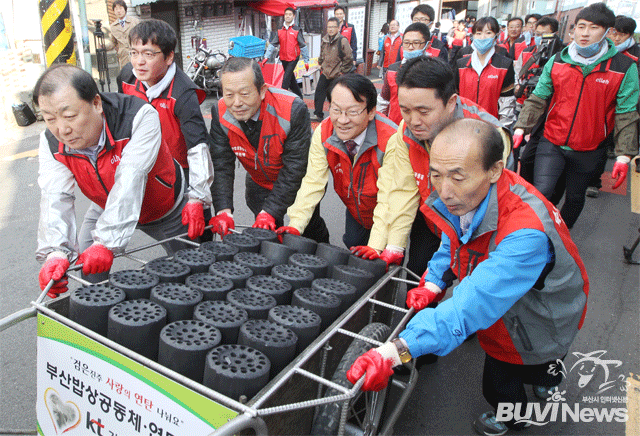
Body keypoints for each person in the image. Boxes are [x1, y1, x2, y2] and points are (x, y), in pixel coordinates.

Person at [346, 118, 589, 436]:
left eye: (458, 177)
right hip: (520, 303)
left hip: (539, 315)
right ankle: (545, 380)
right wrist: (434, 281)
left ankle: (514, 417)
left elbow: (469, 306)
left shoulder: (524, 232)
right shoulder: (477, 195)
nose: (444, 191)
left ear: (494, 169)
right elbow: (454, 238)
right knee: (541, 362)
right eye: (436, 174)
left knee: (506, 376)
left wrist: (394, 352)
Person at [35, 65, 191, 296]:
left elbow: (131, 177)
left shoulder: (138, 116)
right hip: (106, 204)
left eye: (69, 116)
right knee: (89, 269)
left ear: (96, 103)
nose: (62, 129)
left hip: (164, 206)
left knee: (189, 270)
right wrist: (55, 252)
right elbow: (55, 196)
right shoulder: (51, 141)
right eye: (49, 119)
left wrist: (106, 243)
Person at [352, 56, 511, 282]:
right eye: (405, 110)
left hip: (477, 229)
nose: (413, 120)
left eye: (424, 111)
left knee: (472, 286)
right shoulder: (406, 133)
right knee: (418, 272)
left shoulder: (488, 139)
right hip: (432, 216)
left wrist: (443, 273)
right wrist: (389, 245)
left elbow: (487, 214)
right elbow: (399, 190)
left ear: (451, 101)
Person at [514, 2, 639, 229]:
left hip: (590, 148)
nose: (584, 33)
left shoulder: (623, 67)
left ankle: (563, 235)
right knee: (543, 192)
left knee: (574, 198)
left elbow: (627, 113)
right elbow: (539, 97)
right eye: (581, 26)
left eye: (593, 28)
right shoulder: (559, 60)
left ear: (607, 31)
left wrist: (623, 155)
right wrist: (522, 127)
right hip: (552, 140)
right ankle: (538, 235)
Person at [209, 57, 329, 242]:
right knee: (270, 237)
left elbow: (295, 168)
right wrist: (223, 209)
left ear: (262, 90)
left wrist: (271, 210)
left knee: (306, 232)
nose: (237, 103)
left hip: (297, 183)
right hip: (259, 184)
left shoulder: (291, 109)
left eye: (245, 93)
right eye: (229, 94)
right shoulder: (220, 112)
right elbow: (221, 164)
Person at [117, 19, 213, 241]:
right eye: (134, 52)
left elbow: (198, 148)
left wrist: (197, 199)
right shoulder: (127, 77)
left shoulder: (183, 93)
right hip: (150, 166)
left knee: (198, 237)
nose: (139, 62)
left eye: (149, 54)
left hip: (184, 171)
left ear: (169, 57)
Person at [277, 74, 397, 248]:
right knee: (353, 243)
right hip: (356, 205)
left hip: (389, 209)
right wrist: (295, 225)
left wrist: (376, 246)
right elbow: (313, 182)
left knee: (387, 256)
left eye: (353, 112)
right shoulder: (324, 131)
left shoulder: (391, 139)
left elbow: (388, 200)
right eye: (336, 110)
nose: (342, 120)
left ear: (371, 112)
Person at [456, 17, 517, 128]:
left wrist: (503, 130)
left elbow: (507, 102)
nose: (482, 37)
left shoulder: (504, 65)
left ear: (495, 36)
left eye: (488, 33)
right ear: (472, 36)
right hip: (463, 126)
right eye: (478, 33)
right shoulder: (461, 65)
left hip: (491, 127)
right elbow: (454, 97)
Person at [377, 22, 432, 124]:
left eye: (416, 43)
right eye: (406, 43)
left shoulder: (434, 70)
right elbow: (383, 101)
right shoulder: (393, 69)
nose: (410, 47)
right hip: (395, 127)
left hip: (423, 128)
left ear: (427, 44)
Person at [263, 7, 310, 99]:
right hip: (283, 58)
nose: (287, 16)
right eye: (286, 14)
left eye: (290, 14)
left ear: (293, 16)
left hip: (293, 58)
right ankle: (300, 97)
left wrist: (306, 61)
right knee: (291, 80)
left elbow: (303, 46)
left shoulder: (296, 30)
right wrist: (266, 56)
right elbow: (273, 44)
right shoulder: (280, 29)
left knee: (285, 80)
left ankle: (281, 99)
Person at [313, 17, 353, 122]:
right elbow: (321, 54)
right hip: (325, 72)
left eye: (333, 27)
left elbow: (348, 58)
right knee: (319, 93)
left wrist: (342, 71)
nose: (330, 29)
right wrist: (320, 64)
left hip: (337, 74)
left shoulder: (342, 40)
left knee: (335, 97)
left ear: (338, 27)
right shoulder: (325, 40)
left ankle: (336, 116)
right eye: (329, 27)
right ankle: (318, 114)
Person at [109, 0, 140, 69]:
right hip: (123, 56)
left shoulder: (134, 21)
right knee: (126, 75)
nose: (118, 11)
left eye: (120, 8)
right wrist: (103, 47)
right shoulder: (113, 26)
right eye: (116, 9)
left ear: (125, 9)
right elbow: (113, 43)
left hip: (136, 53)